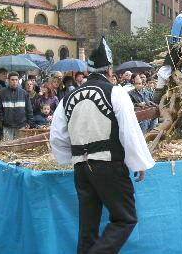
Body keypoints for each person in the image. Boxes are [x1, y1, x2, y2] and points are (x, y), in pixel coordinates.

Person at [50, 37, 155, 254]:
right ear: (109, 71)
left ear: (88, 71)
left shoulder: (68, 98)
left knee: (87, 228)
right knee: (125, 219)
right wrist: (139, 163)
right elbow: (130, 131)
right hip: (109, 166)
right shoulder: (115, 93)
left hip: (81, 168)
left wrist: (73, 157)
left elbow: (58, 138)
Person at [0, 71, 34, 141]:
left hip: (21, 126)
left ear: (18, 81)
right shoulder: (2, 93)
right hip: (7, 126)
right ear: (8, 80)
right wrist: (2, 120)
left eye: (16, 80)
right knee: (7, 147)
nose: (14, 82)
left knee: (20, 147)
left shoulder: (24, 93)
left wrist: (29, 123)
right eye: (12, 80)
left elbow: (29, 109)